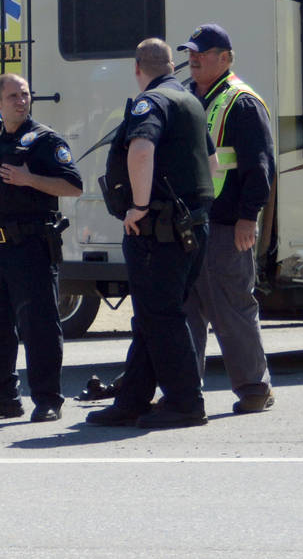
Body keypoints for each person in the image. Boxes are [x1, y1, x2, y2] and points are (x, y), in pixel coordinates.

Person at [87, 38, 215, 429]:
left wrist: (139, 206)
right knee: (152, 317)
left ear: (137, 68)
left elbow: (141, 149)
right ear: (172, 65)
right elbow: (212, 163)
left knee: (162, 316)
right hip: (190, 228)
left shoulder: (151, 102)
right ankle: (132, 400)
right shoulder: (191, 101)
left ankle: (185, 403)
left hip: (158, 231)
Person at [0, 73, 83, 423]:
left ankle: (48, 399)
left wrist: (30, 178)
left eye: (25, 94)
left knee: (40, 327)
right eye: (13, 96)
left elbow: (73, 185)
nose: (21, 100)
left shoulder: (45, 140)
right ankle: (2, 397)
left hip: (30, 247)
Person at [180, 23, 276, 414]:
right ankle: (183, 388)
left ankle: (254, 388)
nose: (194, 59)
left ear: (225, 57)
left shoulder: (242, 102)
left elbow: (260, 166)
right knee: (185, 310)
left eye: (202, 53)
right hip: (187, 224)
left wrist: (247, 219)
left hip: (225, 226)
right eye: (190, 53)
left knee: (232, 309)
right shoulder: (186, 96)